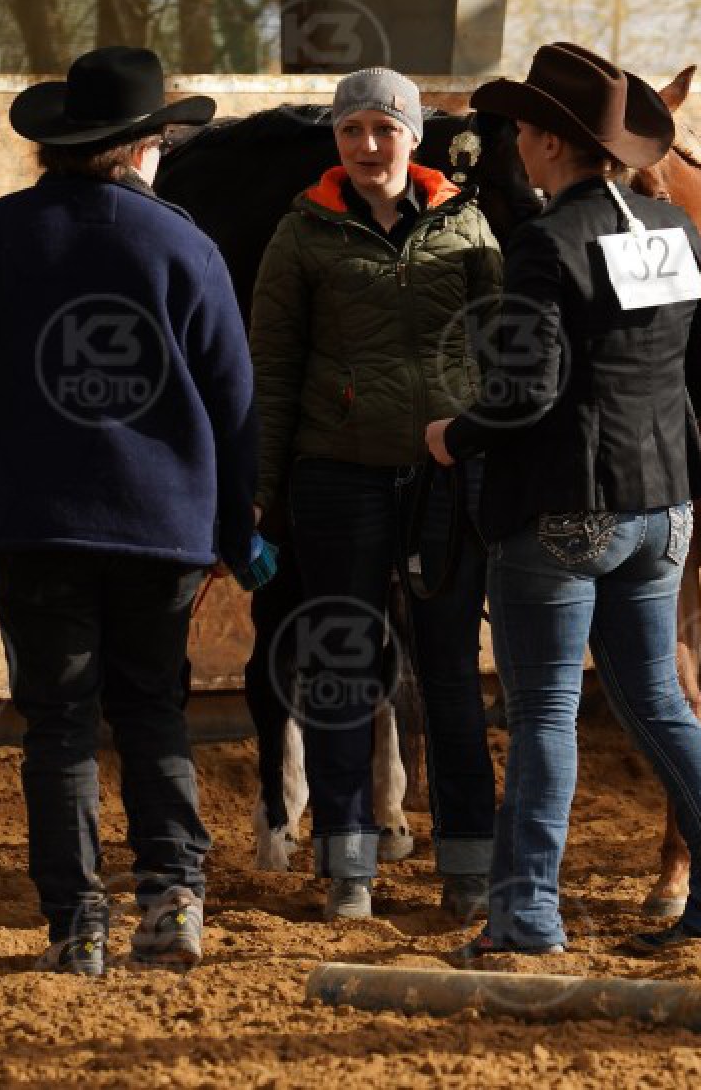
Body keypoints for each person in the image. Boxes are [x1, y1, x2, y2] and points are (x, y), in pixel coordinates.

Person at [0, 46, 267, 976]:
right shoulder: (185, 244)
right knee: (152, 710)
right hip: (163, 526)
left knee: (58, 724)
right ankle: (172, 900)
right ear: (144, 149)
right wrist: (234, 528)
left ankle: (76, 925)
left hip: (33, 519)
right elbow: (234, 398)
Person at [423, 42, 701, 959]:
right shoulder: (673, 231)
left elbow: (528, 392)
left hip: (563, 512)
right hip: (665, 512)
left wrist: (455, 435)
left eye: (522, 131)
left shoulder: (545, 242)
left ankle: (526, 920)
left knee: (544, 716)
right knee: (660, 706)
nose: (515, 145)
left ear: (550, 142)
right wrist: (649, 429)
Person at [249, 67, 502, 921]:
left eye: (383, 129)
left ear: (414, 137)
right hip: (337, 476)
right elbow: (272, 370)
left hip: (445, 483)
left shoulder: (468, 225)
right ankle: (349, 867)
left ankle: (469, 865)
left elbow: (503, 352)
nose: (367, 145)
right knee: (342, 670)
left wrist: (486, 457)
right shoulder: (301, 233)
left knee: (449, 673)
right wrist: (261, 490)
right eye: (351, 130)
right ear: (335, 141)